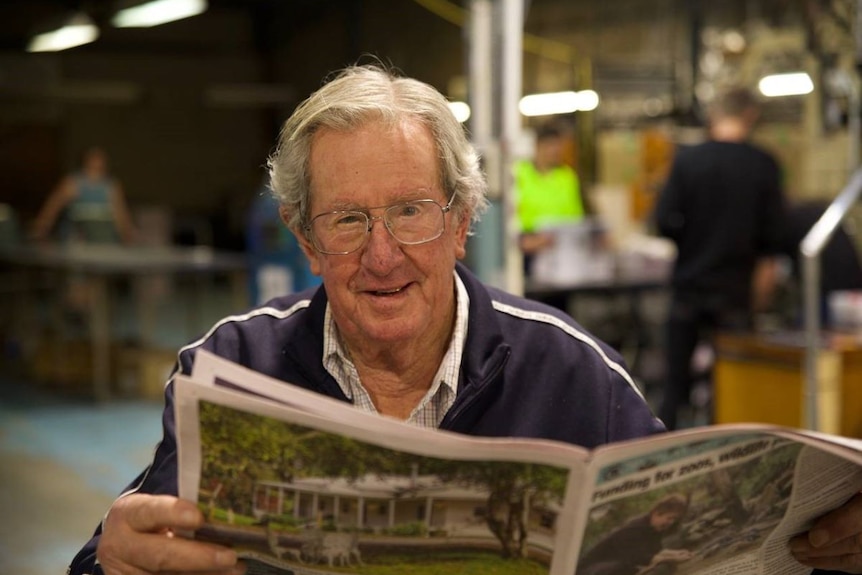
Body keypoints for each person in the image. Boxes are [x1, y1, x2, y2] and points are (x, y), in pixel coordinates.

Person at [67, 66, 862, 575]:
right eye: (347, 220)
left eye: (411, 211)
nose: (382, 256)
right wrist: (109, 561)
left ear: (461, 220)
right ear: (305, 238)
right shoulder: (229, 367)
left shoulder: (576, 372)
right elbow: (121, 551)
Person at [652, 87, 786, 431]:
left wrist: (692, 239)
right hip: (736, 295)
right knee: (733, 390)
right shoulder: (764, 165)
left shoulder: (687, 161)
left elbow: (664, 221)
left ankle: (662, 456)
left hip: (689, 289)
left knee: (674, 388)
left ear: (713, 117)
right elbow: (773, 243)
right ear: (750, 116)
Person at [514, 122, 586, 269]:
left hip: (561, 246)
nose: (555, 151)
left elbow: (576, 216)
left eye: (558, 146)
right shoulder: (518, 173)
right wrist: (528, 240)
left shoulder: (567, 177)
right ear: (537, 146)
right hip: (527, 247)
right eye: (550, 145)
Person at [31, 146, 137, 244]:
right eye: (94, 159)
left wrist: (127, 234)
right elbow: (53, 206)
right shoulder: (73, 182)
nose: (97, 163)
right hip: (79, 234)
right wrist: (41, 227)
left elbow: (120, 212)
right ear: (86, 161)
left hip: (104, 236)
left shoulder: (110, 186)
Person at [577, 493, 693, 575]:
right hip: (590, 570)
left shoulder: (655, 528)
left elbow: (656, 551)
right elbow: (639, 558)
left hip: (615, 565)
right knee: (625, 567)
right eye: (669, 518)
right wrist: (673, 559)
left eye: (674, 520)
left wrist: (677, 554)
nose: (671, 523)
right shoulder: (635, 528)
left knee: (664, 566)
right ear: (657, 512)